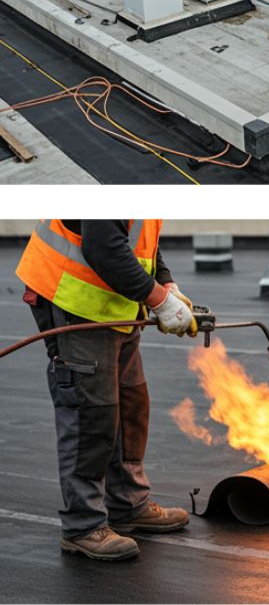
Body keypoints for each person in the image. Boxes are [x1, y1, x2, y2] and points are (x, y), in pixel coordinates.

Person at [14, 220, 198, 561]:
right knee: (91, 412)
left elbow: (141, 241)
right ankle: (83, 526)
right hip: (73, 298)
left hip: (113, 302)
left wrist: (165, 281)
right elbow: (104, 248)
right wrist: (159, 300)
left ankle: (128, 504)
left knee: (130, 403)